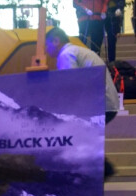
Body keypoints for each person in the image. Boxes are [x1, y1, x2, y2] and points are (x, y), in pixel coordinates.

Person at [45, 27, 120, 178]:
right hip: (107, 102)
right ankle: (101, 168)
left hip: (99, 104)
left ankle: (101, 169)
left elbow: (71, 85)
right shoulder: (79, 50)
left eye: (47, 45)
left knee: (71, 135)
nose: (46, 50)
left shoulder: (66, 54)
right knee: (82, 137)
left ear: (56, 41)